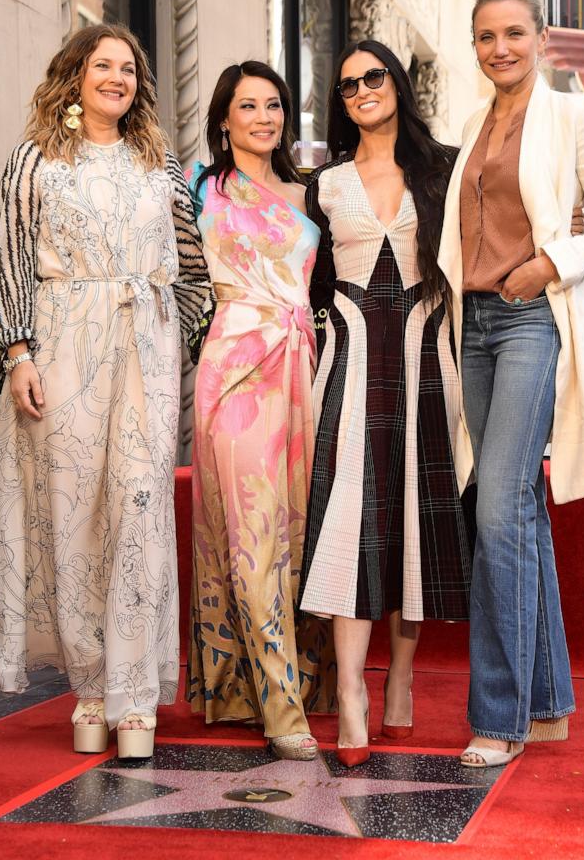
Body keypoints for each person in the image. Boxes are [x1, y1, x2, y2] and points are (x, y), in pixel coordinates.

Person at [0, 24, 212, 759]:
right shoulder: (35, 160)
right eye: (103, 65)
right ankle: (91, 688)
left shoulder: (159, 162)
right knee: (73, 520)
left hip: (143, 348)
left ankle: (135, 696)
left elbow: (194, 263)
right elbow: (7, 258)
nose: (118, 77)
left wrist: (183, 335)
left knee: (138, 511)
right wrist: (18, 355)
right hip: (62, 346)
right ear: (73, 75)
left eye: (129, 68)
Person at [438, 0, 584, 768]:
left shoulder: (575, 114)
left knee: (497, 510)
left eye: (513, 34)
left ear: (541, 38)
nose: (499, 49)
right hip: (475, 325)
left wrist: (550, 263)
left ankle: (498, 716)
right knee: (512, 506)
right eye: (485, 36)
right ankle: (546, 703)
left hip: (531, 318)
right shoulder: (471, 123)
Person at [298, 40, 475, 768]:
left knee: (409, 526)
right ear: (339, 102)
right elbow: (303, 283)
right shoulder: (324, 183)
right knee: (349, 521)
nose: (362, 90)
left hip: (429, 362)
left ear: (396, 84)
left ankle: (399, 678)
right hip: (347, 363)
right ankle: (349, 693)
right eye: (347, 86)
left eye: (373, 77)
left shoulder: (443, 167)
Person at [186, 61, 335, 761]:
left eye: (273, 104)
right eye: (247, 106)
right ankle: (279, 707)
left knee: (298, 531)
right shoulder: (197, 187)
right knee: (249, 535)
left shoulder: (312, 194)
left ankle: (286, 684)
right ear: (224, 118)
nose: (263, 117)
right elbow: (178, 280)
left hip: (301, 371)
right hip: (233, 369)